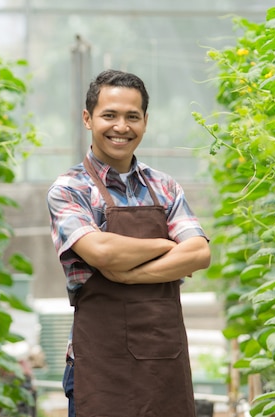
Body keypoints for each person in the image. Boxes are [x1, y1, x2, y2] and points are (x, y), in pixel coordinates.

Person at [47, 69, 211, 417]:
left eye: (132, 117)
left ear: (145, 122)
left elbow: (199, 252)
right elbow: (101, 251)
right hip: (98, 365)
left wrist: (129, 274)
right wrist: (166, 245)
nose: (121, 127)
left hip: (163, 360)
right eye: (109, 115)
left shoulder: (165, 186)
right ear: (88, 118)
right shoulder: (69, 189)